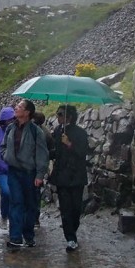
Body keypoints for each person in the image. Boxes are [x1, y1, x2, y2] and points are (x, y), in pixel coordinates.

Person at [1, 99, 50, 250]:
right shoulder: (10, 128)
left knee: (30, 206)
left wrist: (40, 175)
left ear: (27, 112)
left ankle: (28, 235)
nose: (16, 108)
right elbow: (3, 146)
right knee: (16, 203)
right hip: (14, 172)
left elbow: (42, 154)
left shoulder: (36, 131)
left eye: (20, 106)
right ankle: (15, 238)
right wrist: (6, 156)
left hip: (30, 173)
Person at [50, 105, 90, 252]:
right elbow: (55, 152)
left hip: (77, 176)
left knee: (75, 209)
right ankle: (71, 239)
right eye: (57, 114)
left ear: (69, 117)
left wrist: (69, 144)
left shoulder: (80, 133)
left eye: (60, 114)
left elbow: (82, 152)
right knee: (66, 209)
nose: (58, 117)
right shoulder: (57, 131)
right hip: (62, 176)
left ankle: (73, 230)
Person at [32, 111, 56, 227]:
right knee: (36, 193)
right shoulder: (45, 131)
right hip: (40, 167)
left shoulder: (43, 133)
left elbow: (51, 150)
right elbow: (52, 150)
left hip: (37, 167)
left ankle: (33, 218)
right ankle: (35, 218)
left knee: (34, 193)